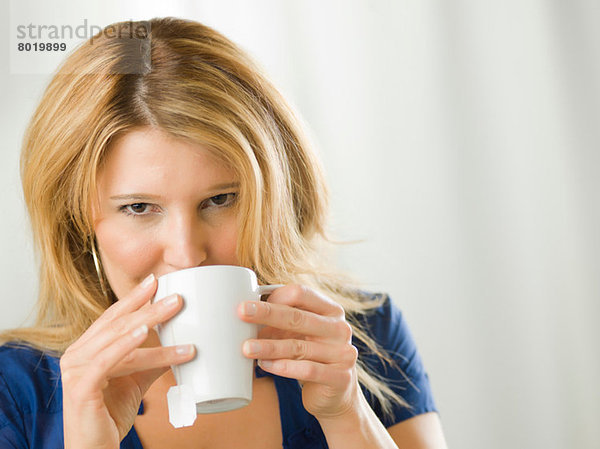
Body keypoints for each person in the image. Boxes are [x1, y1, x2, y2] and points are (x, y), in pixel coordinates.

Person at [0, 17, 448, 449]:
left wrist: (347, 413)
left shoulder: (359, 341)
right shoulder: (15, 392)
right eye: (139, 208)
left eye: (220, 200)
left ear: (274, 197)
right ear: (77, 220)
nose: (186, 253)